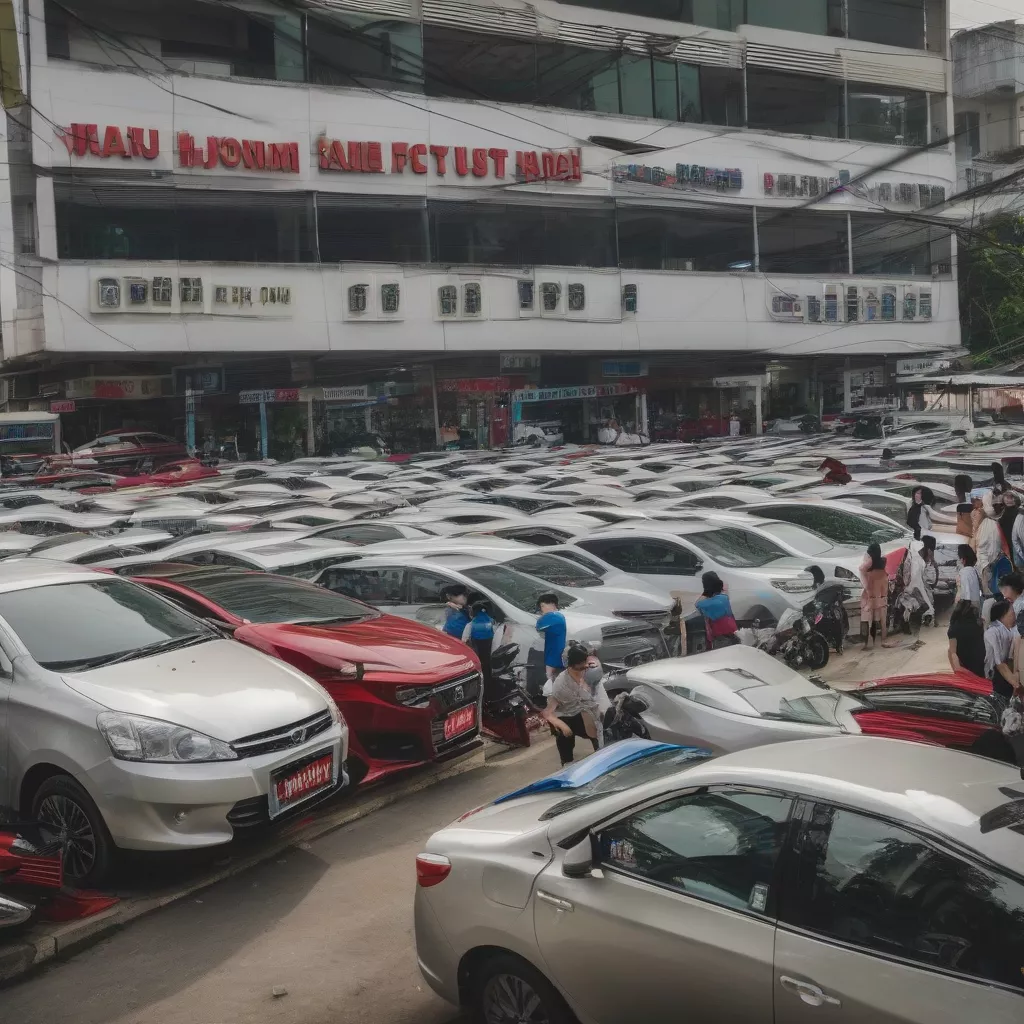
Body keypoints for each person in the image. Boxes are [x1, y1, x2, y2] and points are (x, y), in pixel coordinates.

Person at [542, 641, 603, 766]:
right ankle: (566, 762)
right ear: (572, 665)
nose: (585, 667)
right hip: (568, 715)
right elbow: (548, 713)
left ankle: (601, 751)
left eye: (585, 662)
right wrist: (562, 726)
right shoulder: (560, 685)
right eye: (581, 664)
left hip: (586, 711)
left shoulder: (590, 671)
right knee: (564, 733)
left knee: (599, 726)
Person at [695, 571, 740, 648]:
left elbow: (697, 604)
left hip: (721, 636)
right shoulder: (724, 598)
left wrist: (705, 593)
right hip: (733, 632)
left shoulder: (709, 603)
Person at [984, 599, 1017, 700]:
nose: (1014, 616)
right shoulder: (992, 632)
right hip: (995, 675)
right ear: (1002, 616)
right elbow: (999, 663)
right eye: (1011, 614)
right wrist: (1016, 684)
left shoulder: (1010, 630)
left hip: (1007, 671)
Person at [975, 492, 1006, 596]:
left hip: (999, 566)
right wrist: (986, 566)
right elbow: (980, 548)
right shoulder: (987, 524)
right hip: (988, 567)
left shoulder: (999, 521)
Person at [947, 600, 986, 678]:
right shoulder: (979, 624)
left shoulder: (954, 627)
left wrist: (958, 669)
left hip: (966, 663)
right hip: (981, 663)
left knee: (950, 650)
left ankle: (958, 675)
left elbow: (953, 653)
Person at [462, 600, 496, 686]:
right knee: (488, 666)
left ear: (473, 613)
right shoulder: (492, 622)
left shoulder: (470, 625)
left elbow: (464, 640)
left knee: (480, 666)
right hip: (490, 650)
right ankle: (490, 683)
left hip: (477, 650)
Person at [536, 593, 568, 683]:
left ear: (552, 604)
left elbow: (538, 625)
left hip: (553, 655)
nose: (541, 609)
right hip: (556, 652)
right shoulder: (560, 616)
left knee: (550, 678)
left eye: (543, 606)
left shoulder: (553, 616)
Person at [863, 547, 889, 648]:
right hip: (882, 597)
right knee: (883, 621)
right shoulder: (883, 563)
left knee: (871, 620)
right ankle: (883, 640)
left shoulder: (869, 571)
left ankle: (871, 641)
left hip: (873, 598)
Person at [957, 544, 982, 614]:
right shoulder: (974, 571)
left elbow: (966, 592)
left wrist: (965, 609)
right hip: (976, 604)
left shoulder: (964, 572)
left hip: (968, 607)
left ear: (963, 559)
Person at [999, 491, 1021, 566]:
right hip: (1015, 538)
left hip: (1009, 539)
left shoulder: (1005, 513)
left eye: (1010, 498)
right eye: (1007, 497)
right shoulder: (1019, 511)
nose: (1008, 499)